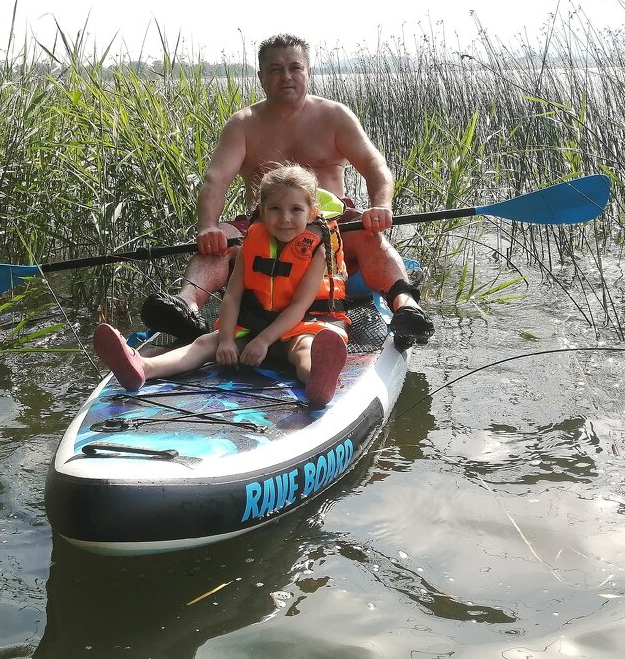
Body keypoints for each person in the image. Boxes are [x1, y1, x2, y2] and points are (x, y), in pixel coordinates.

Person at [140, 33, 434, 345]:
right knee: (221, 238)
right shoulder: (242, 123)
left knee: (369, 235)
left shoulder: (334, 116)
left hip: (331, 222)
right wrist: (207, 226)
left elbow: (376, 166)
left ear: (308, 72)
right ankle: (185, 306)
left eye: (295, 67)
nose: (286, 77)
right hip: (266, 224)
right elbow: (216, 180)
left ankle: (406, 307)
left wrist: (382, 207)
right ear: (261, 76)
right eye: (275, 69)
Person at [94, 165, 349, 407]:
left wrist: (263, 341)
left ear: (312, 212)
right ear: (261, 209)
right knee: (206, 343)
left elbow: (299, 305)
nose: (284, 218)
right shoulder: (253, 240)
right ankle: (143, 368)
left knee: (305, 349)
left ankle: (318, 379)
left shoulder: (318, 247)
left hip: (301, 324)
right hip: (256, 325)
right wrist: (227, 340)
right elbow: (233, 296)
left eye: (296, 210)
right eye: (275, 209)